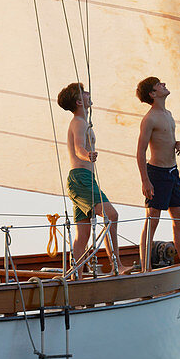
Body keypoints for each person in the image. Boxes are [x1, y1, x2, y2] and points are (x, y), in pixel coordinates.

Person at [56, 82, 119, 274]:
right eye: (84, 93)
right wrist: (87, 155)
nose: (88, 93)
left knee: (82, 235)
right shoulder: (79, 122)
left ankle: (76, 277)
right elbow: (78, 148)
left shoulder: (81, 122)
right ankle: (117, 264)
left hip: (83, 179)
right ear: (78, 101)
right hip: (81, 178)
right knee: (112, 215)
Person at [136, 76, 180, 271]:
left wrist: (177, 143)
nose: (164, 84)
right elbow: (141, 151)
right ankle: (145, 268)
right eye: (159, 84)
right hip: (156, 174)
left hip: (173, 172)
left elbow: (167, 139)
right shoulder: (149, 119)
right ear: (152, 93)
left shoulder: (168, 113)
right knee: (152, 219)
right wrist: (145, 181)